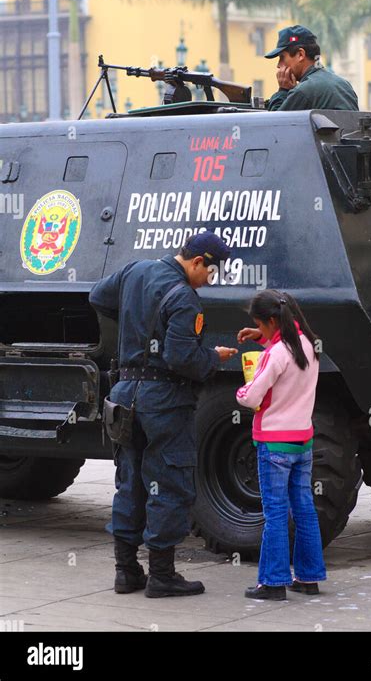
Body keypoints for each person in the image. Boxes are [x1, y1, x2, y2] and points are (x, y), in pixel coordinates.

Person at [89, 231, 237, 598]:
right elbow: (181, 358)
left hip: (124, 395)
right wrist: (212, 359)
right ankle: (162, 576)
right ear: (198, 261)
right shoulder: (185, 299)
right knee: (169, 484)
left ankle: (126, 572)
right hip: (164, 401)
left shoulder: (135, 271)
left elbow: (97, 296)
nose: (210, 281)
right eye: (212, 272)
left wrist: (133, 320)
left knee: (131, 482)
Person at [236, 290, 326, 600]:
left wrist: (241, 391)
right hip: (302, 441)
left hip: (274, 445)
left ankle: (272, 582)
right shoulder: (308, 345)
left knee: (274, 514)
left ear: (272, 321)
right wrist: (262, 338)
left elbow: (251, 397)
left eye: (260, 324)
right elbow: (288, 359)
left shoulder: (274, 355)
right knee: (304, 509)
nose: (258, 328)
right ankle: (308, 577)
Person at [265, 24, 359, 111]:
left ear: (300, 55)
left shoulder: (303, 91)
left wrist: (283, 90)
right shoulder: (344, 84)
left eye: (282, 57)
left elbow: (274, 125)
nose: (278, 65)